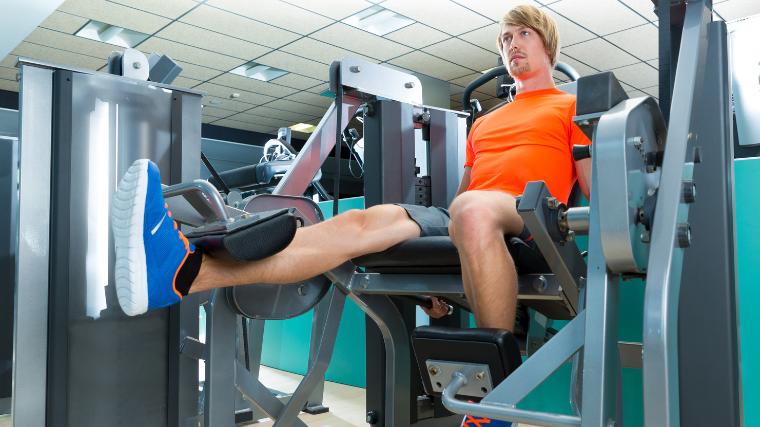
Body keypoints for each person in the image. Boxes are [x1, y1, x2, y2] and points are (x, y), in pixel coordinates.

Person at [111, 5, 591, 426]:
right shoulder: (484, 122)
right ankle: (183, 272)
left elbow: (591, 194)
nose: (511, 45)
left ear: (546, 41)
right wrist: (446, 250)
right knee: (355, 224)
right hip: (469, 213)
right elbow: (463, 197)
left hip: (532, 215)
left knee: (471, 208)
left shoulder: (571, 107)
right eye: (505, 38)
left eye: (521, 34)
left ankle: (492, 407)